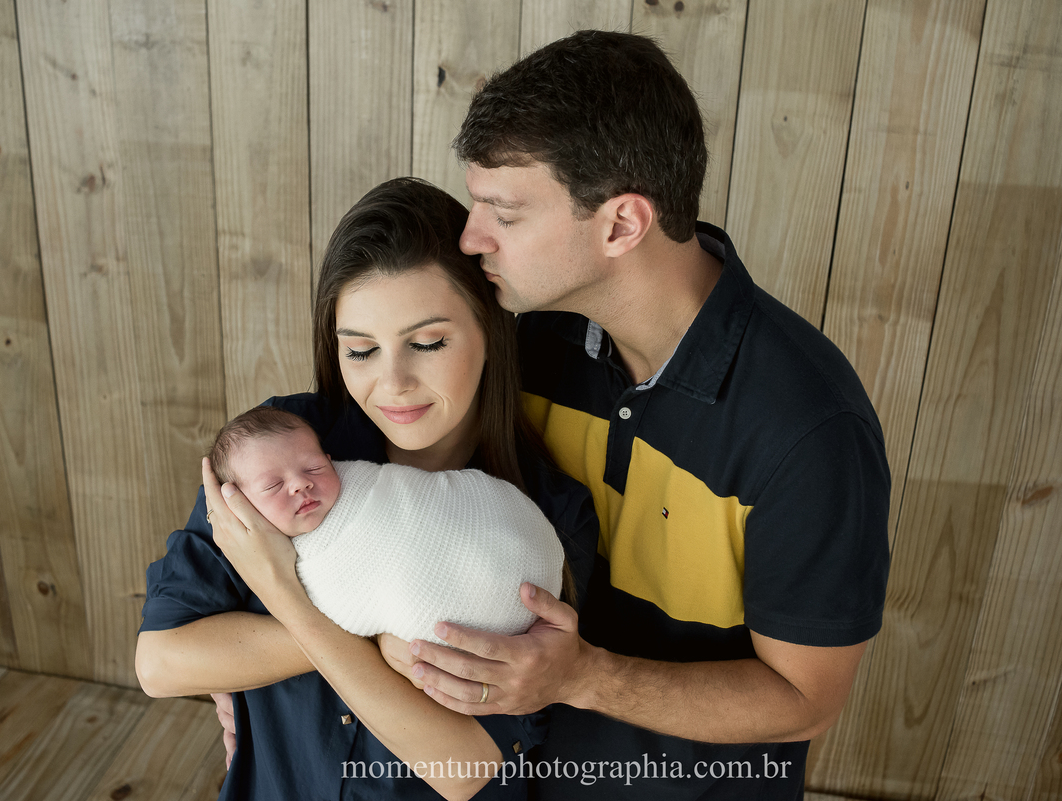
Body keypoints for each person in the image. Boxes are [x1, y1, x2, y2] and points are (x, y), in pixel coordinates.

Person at [394, 31, 892, 799]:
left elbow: (805, 699)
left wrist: (582, 677)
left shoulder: (809, 432)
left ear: (622, 224)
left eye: (505, 213)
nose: (470, 236)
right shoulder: (524, 339)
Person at [135, 177, 599, 801]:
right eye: (360, 351)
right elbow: (161, 664)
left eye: (428, 343)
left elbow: (464, 770)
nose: (393, 382)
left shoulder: (545, 518)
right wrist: (377, 642)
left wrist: (283, 596)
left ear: (491, 329)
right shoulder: (279, 453)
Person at [204, 404, 566, 644]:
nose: (301, 484)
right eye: (273, 486)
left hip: (519, 563)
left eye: (314, 467)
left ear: (330, 459)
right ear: (237, 506)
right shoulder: (247, 553)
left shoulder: (361, 480)